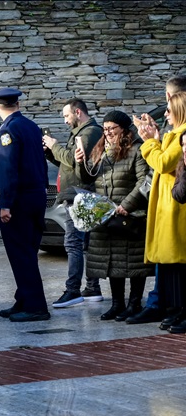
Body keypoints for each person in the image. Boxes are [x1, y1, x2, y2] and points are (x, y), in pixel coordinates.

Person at [74, 111, 154, 321]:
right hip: (105, 216)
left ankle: (134, 303)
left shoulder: (136, 150)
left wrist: (127, 204)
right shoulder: (101, 151)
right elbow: (87, 179)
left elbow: (144, 180)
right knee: (111, 262)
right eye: (106, 128)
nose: (108, 133)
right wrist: (81, 162)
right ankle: (117, 304)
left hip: (129, 215)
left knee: (134, 262)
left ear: (124, 129)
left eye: (112, 129)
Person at [130, 75, 186, 324]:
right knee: (167, 263)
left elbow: (164, 163)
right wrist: (156, 137)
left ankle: (174, 308)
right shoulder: (175, 132)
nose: (165, 114)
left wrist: (149, 141)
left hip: (175, 204)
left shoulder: (183, 131)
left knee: (176, 263)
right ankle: (165, 305)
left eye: (168, 109)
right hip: (166, 203)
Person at [0, 88, 50, 323]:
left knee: (21, 254)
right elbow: (41, 163)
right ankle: (24, 299)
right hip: (36, 196)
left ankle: (36, 306)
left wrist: (5, 203)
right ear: (17, 103)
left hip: (18, 200)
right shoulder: (31, 126)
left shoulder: (8, 129)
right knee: (28, 252)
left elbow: (8, 168)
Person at [42, 98, 104, 309]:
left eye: (67, 116)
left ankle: (73, 290)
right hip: (75, 194)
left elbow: (73, 160)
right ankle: (92, 289)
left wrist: (55, 145)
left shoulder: (90, 133)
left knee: (73, 243)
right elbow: (67, 163)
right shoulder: (79, 133)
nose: (66, 121)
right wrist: (50, 152)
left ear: (78, 112)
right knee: (84, 243)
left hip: (80, 195)